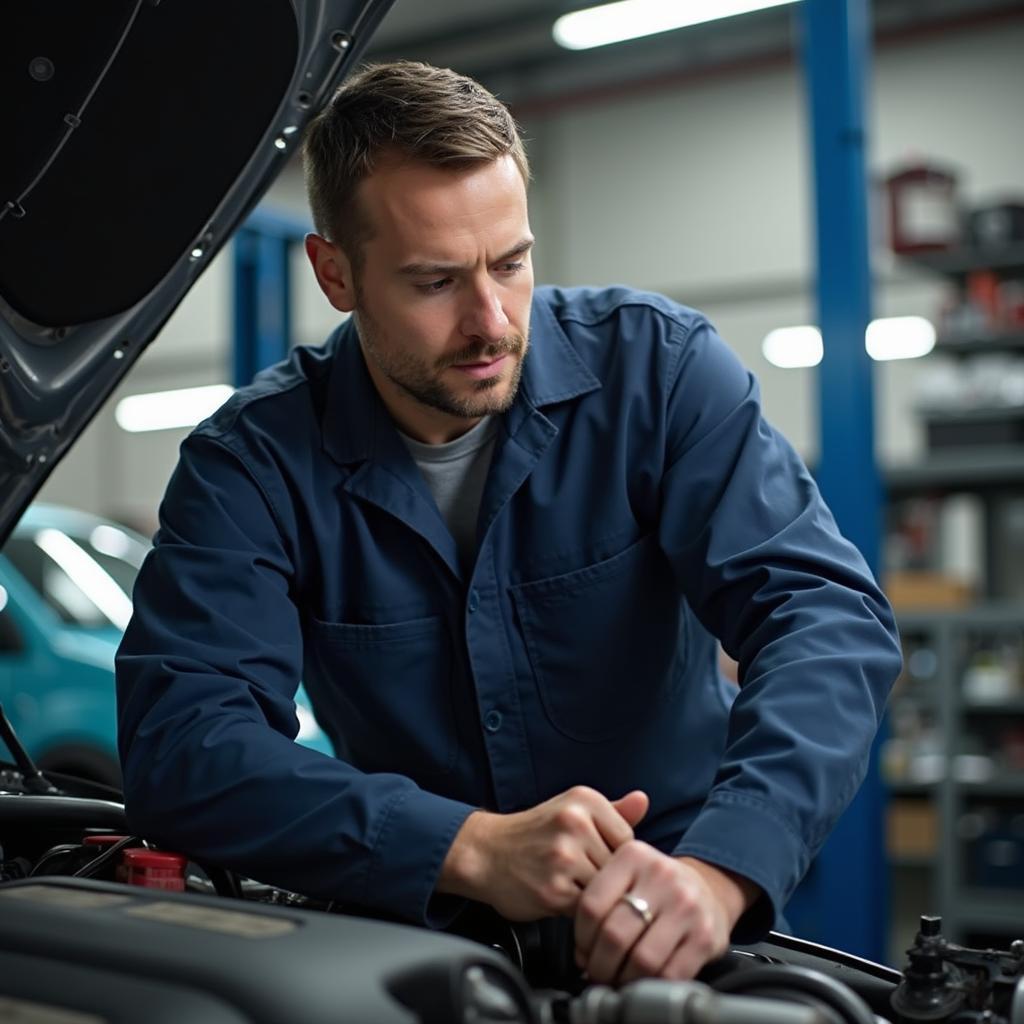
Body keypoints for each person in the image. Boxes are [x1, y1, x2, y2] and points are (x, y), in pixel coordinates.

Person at [116, 60, 902, 985]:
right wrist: (470, 848)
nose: (490, 321)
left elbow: (826, 617)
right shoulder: (252, 464)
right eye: (435, 280)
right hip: (421, 935)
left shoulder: (659, 374)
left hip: (681, 912)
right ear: (336, 274)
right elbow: (186, 744)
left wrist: (727, 867)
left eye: (512, 262)